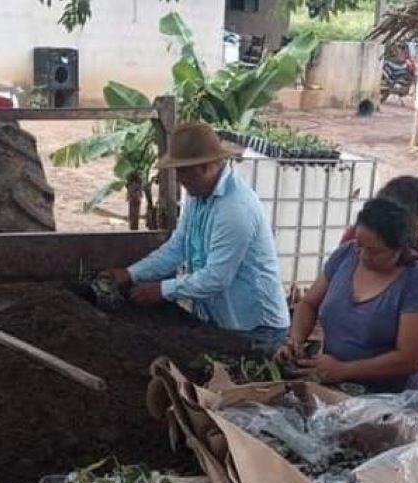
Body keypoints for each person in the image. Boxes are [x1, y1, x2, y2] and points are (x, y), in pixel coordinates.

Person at [103, 122, 289, 352]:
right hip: (223, 322)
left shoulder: (235, 209)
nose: (178, 178)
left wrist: (161, 290)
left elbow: (216, 278)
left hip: (258, 330)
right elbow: (178, 247)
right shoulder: (196, 195)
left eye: (182, 170)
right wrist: (131, 273)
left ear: (205, 167)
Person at [276, 197, 418, 393]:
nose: (362, 256)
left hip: (389, 401)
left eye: (374, 251)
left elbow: (408, 360)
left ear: (399, 248)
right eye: (359, 245)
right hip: (336, 390)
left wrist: (344, 370)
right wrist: (295, 342)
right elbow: (308, 304)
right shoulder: (345, 255)